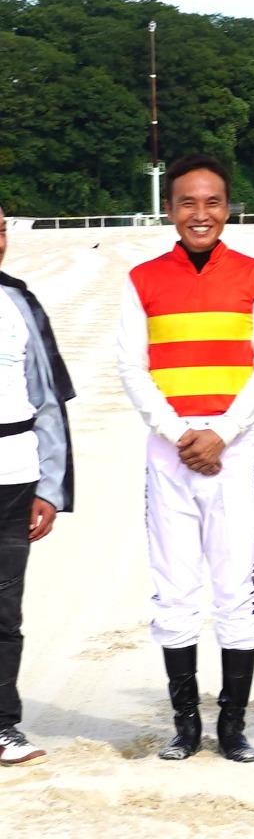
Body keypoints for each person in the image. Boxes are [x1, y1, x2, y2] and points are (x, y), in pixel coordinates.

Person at [118, 155, 254, 763]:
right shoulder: (141, 279)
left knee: (237, 588)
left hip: (236, 454)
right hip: (168, 456)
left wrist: (222, 431)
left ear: (227, 207)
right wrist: (177, 432)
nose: (200, 214)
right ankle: (185, 724)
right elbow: (131, 369)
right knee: (174, 591)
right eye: (187, 203)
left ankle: (232, 726)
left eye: (212, 202)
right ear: (170, 209)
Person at [0, 205, 76, 768]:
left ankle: (3, 727)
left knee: (5, 611)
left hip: (15, 475)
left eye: (0, 228)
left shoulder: (20, 302)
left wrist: (51, 487)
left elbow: (47, 400)